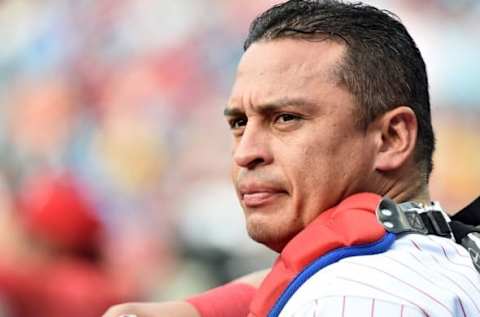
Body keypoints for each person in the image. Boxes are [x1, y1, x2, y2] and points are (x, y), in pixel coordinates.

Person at [104, 0, 480, 316]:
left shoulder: (353, 296)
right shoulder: (446, 256)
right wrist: (195, 309)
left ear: (391, 138)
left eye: (286, 118)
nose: (245, 152)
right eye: (238, 123)